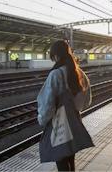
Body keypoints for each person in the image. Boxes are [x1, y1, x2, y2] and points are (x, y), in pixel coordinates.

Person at [37, 40, 92, 172]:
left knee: (60, 158)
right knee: (70, 158)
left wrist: (42, 119)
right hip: (74, 121)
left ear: (56, 56)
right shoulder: (80, 73)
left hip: (58, 123)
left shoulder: (55, 74)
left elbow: (47, 104)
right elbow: (87, 101)